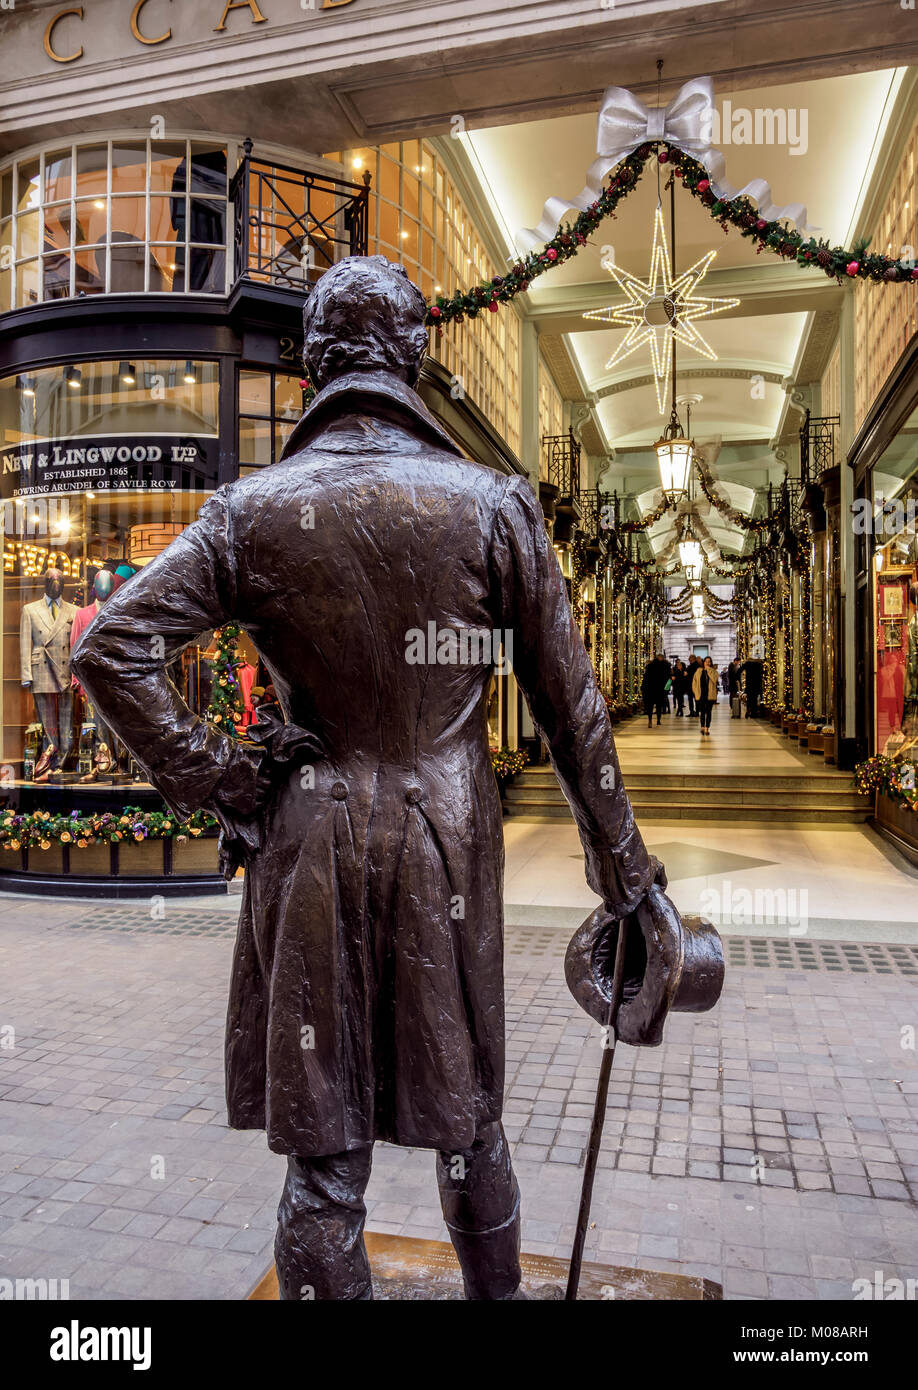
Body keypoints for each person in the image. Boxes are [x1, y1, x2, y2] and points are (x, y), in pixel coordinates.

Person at [72, 253, 683, 1303]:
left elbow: (107, 647)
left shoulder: (248, 510)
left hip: (310, 834)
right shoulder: (492, 506)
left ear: (314, 364)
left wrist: (221, 778)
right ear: (414, 357)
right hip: (445, 828)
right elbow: (573, 709)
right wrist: (627, 876)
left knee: (325, 1160)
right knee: (470, 1120)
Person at [641, 652, 671, 727]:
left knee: (651, 706)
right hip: (659, 690)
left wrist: (644, 688)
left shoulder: (650, 666)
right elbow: (668, 679)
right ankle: (657, 720)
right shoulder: (665, 666)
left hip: (651, 689)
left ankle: (651, 720)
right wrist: (666, 689)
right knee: (658, 706)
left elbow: (645, 678)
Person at [692, 655, 719, 736]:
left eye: (709, 661)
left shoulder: (714, 671)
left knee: (709, 712)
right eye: (706, 661)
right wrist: (695, 691)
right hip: (701, 694)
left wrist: (709, 670)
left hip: (710, 695)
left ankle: (707, 728)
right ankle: (702, 727)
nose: (707, 663)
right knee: (702, 712)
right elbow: (694, 682)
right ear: (703, 662)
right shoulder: (698, 671)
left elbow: (714, 680)